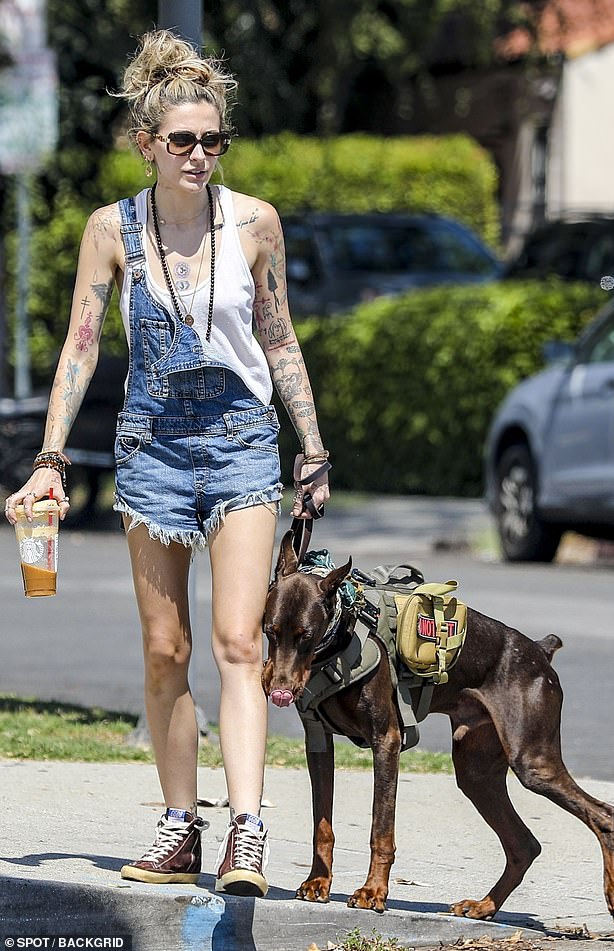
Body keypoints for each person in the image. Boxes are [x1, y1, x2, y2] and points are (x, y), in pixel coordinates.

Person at [3, 29, 330, 898]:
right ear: (146, 142)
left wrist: (313, 444)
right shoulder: (110, 229)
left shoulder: (256, 222)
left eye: (212, 140)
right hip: (150, 446)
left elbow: (278, 335)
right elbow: (78, 347)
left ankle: (248, 832)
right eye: (182, 140)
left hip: (241, 444)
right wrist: (49, 457)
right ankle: (182, 824)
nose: (199, 154)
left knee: (235, 640)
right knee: (163, 647)